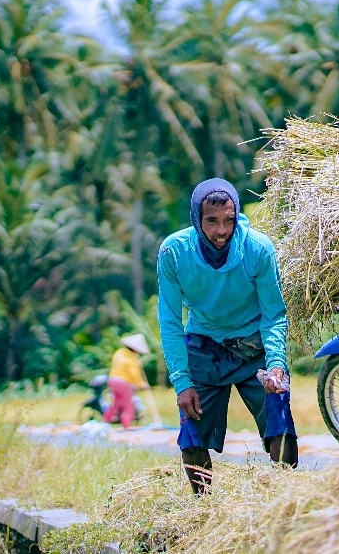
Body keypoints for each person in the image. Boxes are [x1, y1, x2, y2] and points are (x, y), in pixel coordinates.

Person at [157, 177, 298, 495]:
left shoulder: (258, 249)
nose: (221, 231)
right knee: (192, 436)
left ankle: (285, 499)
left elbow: (274, 314)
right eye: (211, 221)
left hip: (254, 349)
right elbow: (169, 320)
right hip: (204, 349)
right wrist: (182, 382)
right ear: (196, 219)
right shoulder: (174, 253)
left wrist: (276, 363)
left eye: (228, 220)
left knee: (280, 423)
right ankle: (204, 510)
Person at [102, 333, 151, 429]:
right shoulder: (132, 358)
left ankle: (105, 422)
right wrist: (142, 384)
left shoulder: (119, 352)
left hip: (113, 379)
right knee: (128, 405)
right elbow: (134, 374)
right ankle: (126, 426)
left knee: (116, 403)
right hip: (123, 382)